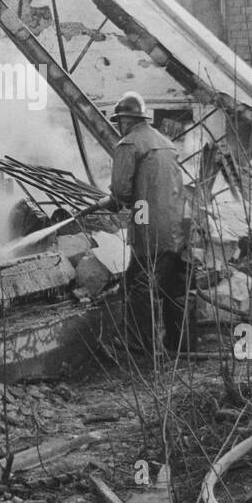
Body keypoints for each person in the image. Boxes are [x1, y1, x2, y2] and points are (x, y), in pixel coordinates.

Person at [97, 91, 192, 355]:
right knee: (172, 287)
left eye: (119, 122)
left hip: (149, 227)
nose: (119, 127)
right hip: (175, 226)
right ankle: (180, 345)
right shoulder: (166, 143)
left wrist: (112, 202)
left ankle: (142, 346)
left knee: (138, 286)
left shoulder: (129, 144)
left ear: (125, 121)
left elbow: (121, 190)